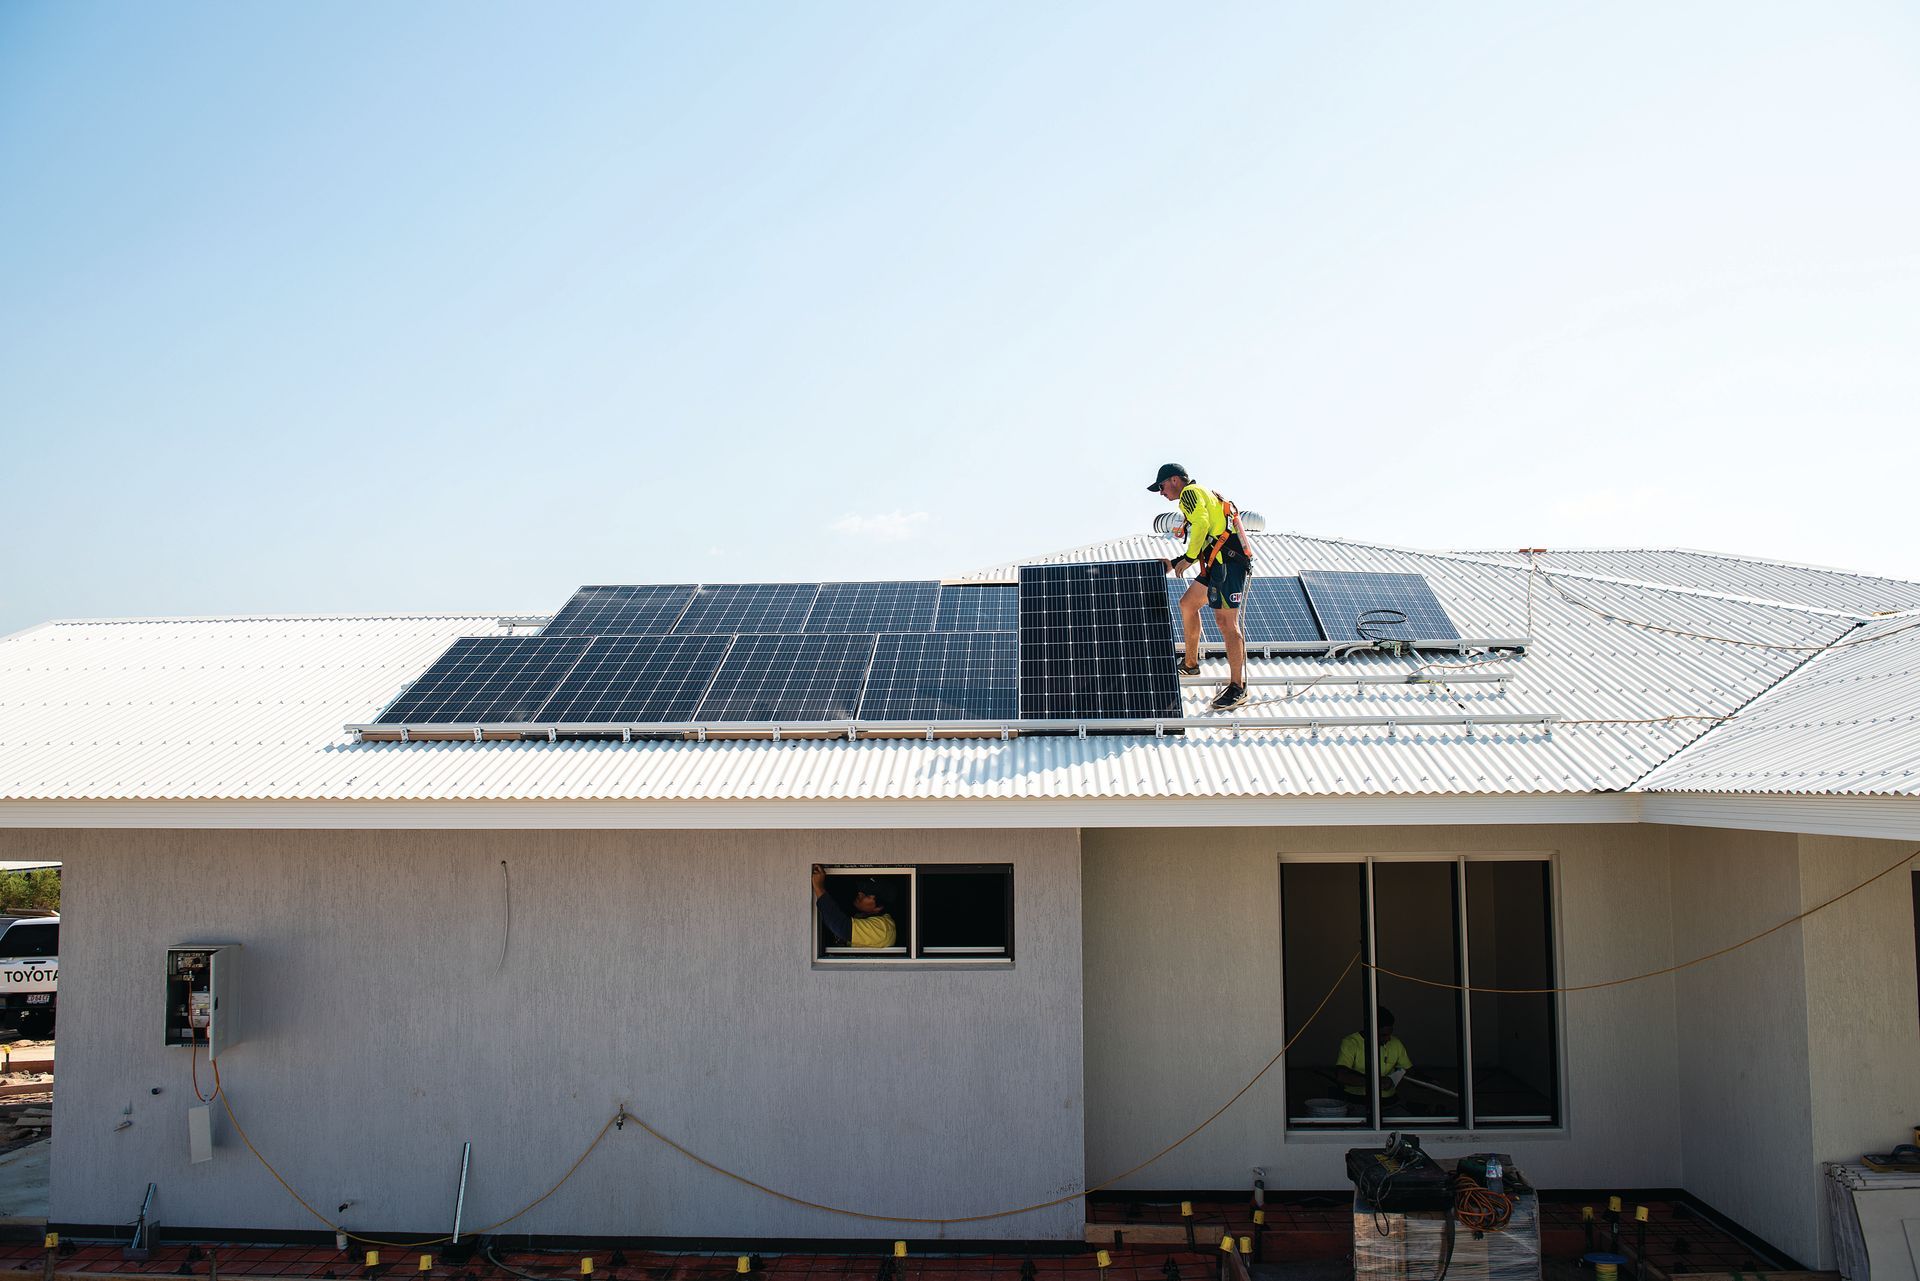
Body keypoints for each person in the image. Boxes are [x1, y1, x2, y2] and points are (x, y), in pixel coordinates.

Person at [1147, 463, 1250, 710]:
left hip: (1229, 564)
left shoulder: (1189, 495)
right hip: (1217, 563)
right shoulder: (1203, 493)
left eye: (1161, 487)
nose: (1161, 493)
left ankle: (1238, 686)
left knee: (1226, 623)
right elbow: (1207, 533)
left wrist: (1188, 559)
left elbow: (1202, 526)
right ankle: (1190, 664)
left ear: (1174, 480)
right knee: (1188, 604)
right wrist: (1175, 562)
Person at [1336, 1006, 1414, 1116]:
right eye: (1383, 1035)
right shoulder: (1351, 1043)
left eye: (1389, 1034)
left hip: (1391, 1103)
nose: (1388, 1039)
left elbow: (1409, 1070)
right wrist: (1377, 1082)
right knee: (1363, 1129)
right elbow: (1342, 1076)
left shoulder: (1395, 1043)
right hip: (1359, 1103)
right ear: (1370, 1030)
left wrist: (1428, 1081)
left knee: (1409, 1125)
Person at [811, 864, 897, 948]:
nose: (859, 894)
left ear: (879, 907)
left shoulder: (883, 928)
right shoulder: (864, 916)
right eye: (861, 890)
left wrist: (819, 888)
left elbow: (842, 928)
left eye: (866, 895)